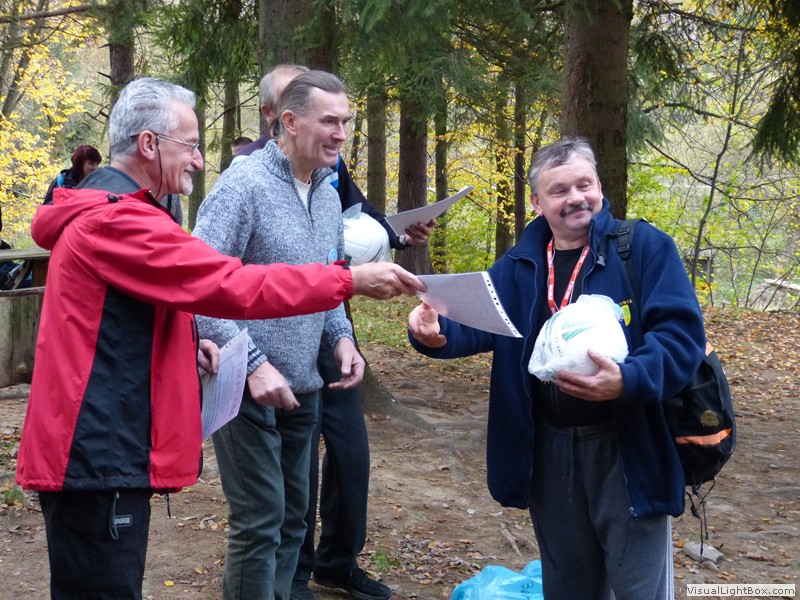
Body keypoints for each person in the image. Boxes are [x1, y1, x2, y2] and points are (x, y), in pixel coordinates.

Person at [15, 76, 425, 600]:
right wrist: (346, 281)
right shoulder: (116, 221)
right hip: (97, 452)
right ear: (149, 144)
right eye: (190, 145)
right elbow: (227, 282)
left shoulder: (127, 213)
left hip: (108, 449)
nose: (199, 160)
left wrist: (189, 339)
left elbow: (120, 318)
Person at [408, 137, 707, 600]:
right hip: (548, 450)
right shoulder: (521, 262)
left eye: (584, 185)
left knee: (640, 590)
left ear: (600, 187)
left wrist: (628, 379)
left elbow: (681, 338)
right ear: (537, 202)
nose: (576, 198)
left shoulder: (642, 248)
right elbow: (484, 322)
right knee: (568, 588)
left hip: (627, 447)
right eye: (560, 190)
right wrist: (434, 331)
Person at [233, 64, 433, 600]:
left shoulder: (325, 186)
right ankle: (284, 584)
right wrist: (250, 362)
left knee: (311, 496)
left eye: (345, 121)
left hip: (312, 360)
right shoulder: (245, 183)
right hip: (254, 374)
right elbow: (204, 284)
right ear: (284, 118)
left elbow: (327, 266)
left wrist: (342, 335)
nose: (340, 133)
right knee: (264, 520)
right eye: (329, 120)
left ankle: (319, 574)